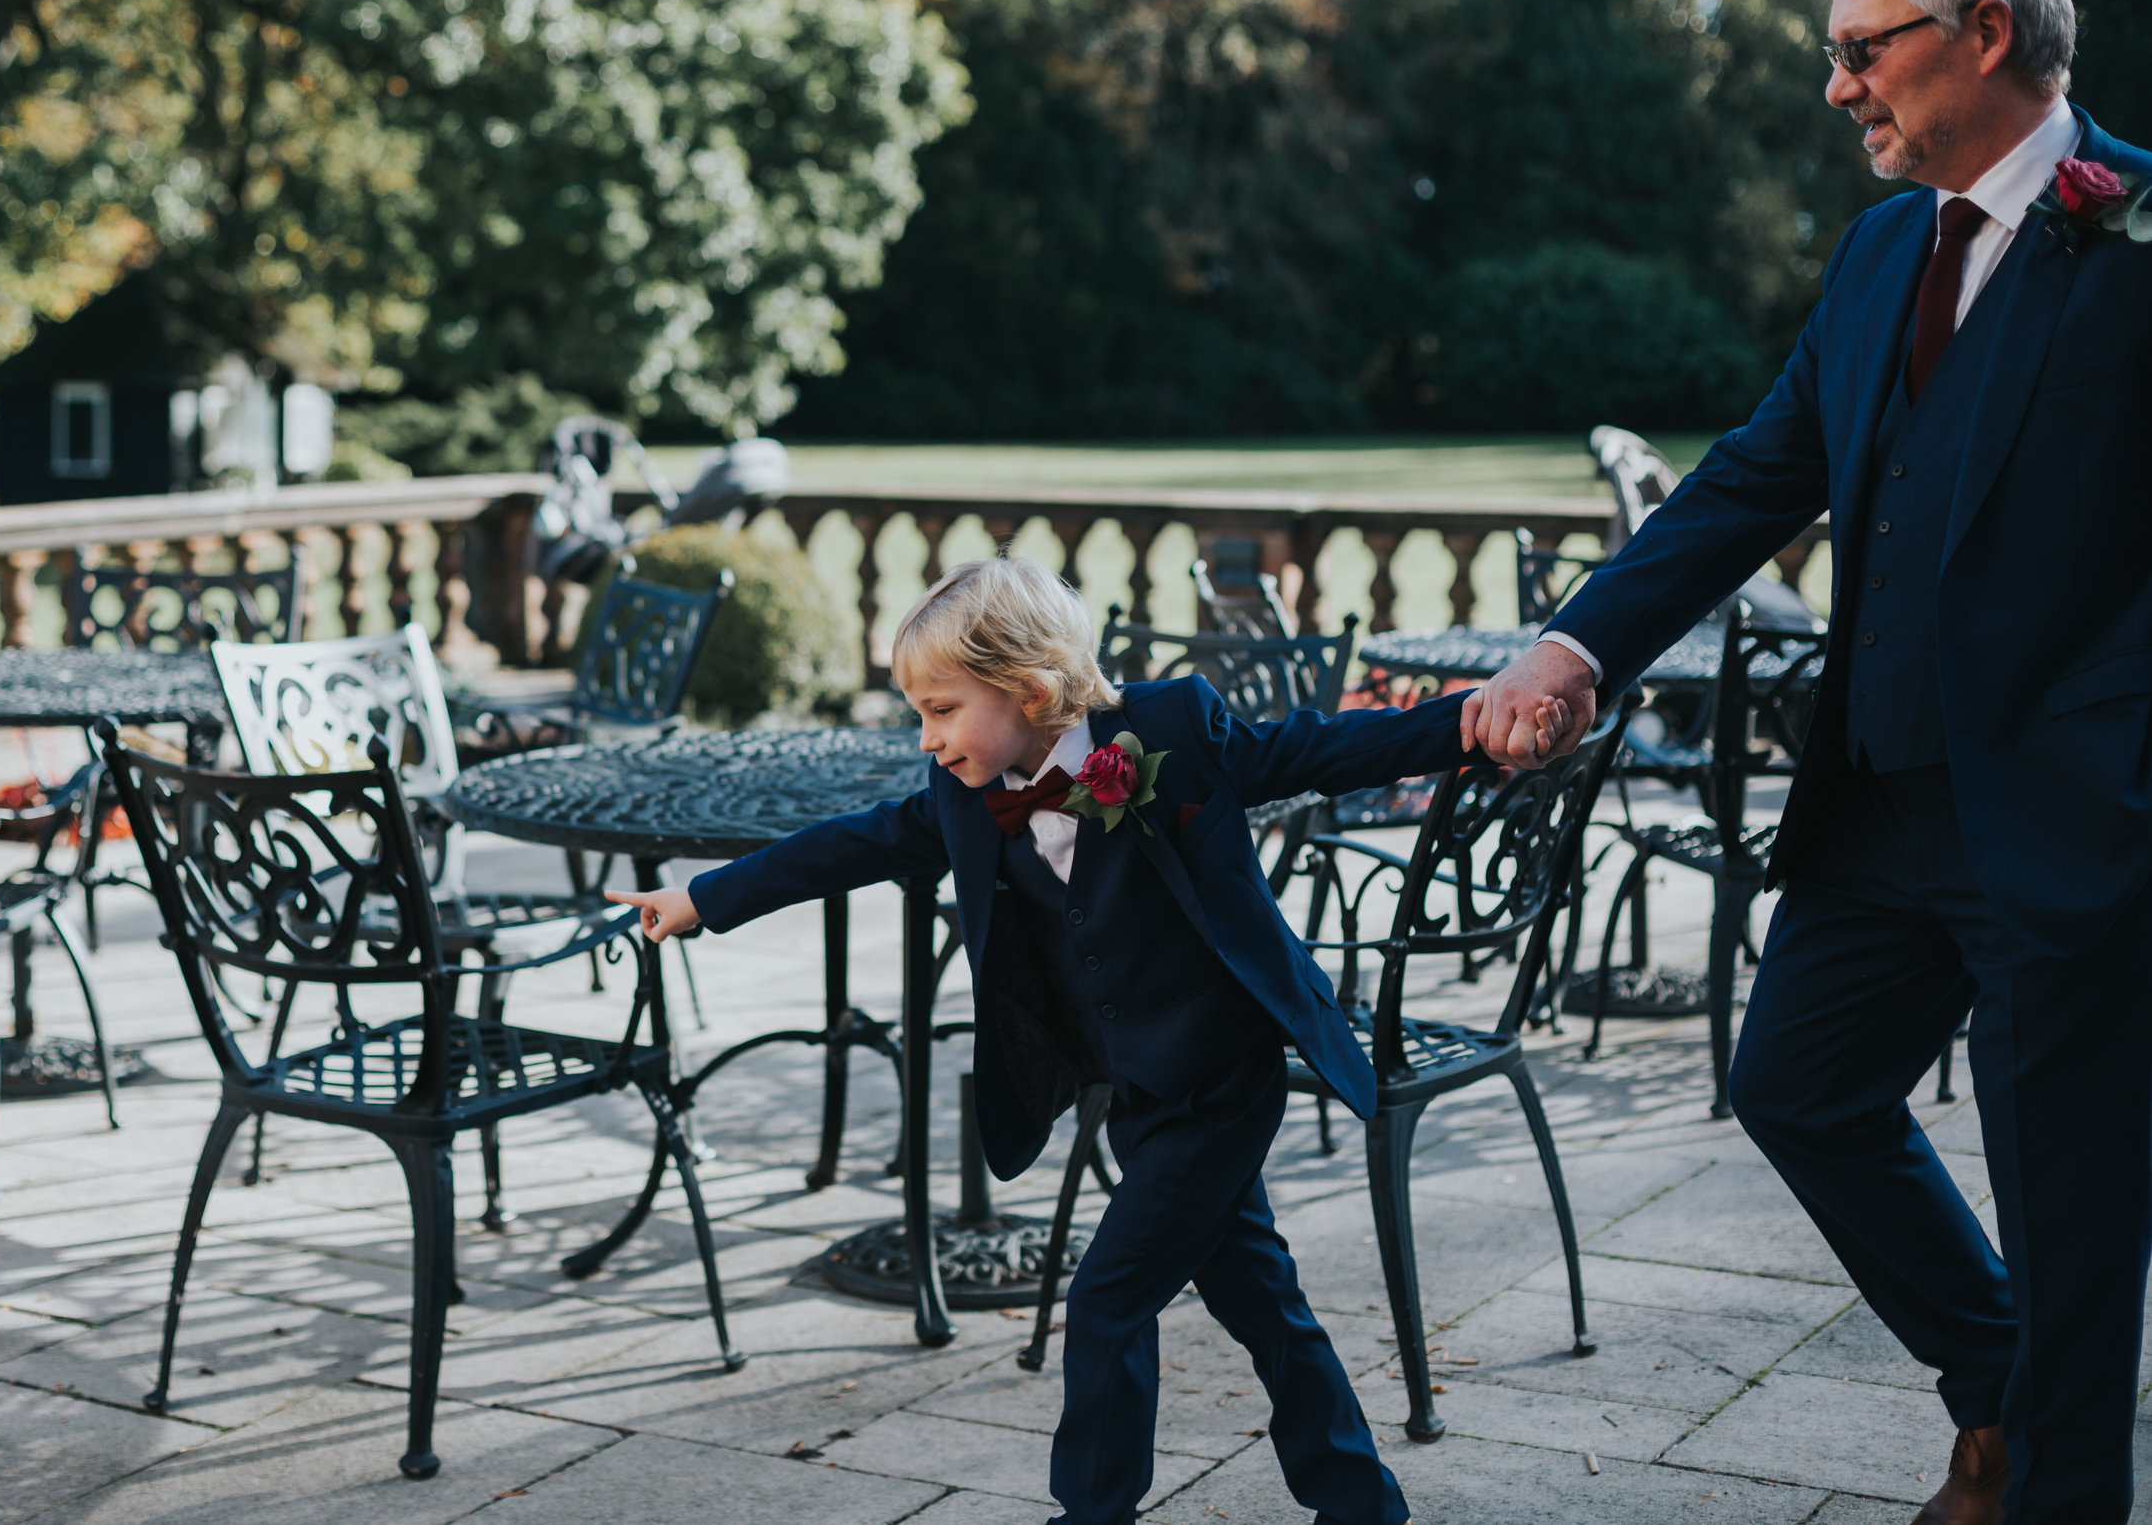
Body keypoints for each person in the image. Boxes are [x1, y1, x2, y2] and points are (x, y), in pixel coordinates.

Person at [1461, 0, 2152, 1525]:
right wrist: (1576, 644)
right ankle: (1991, 1383)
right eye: (1831, 52)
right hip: (1884, 801)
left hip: (2073, 823)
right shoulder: (1870, 256)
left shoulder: (2136, 237)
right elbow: (1751, 479)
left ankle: (2051, 1488)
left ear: (1985, 35)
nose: (1838, 85)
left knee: (2070, 1215)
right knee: (1797, 1085)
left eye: (1863, 48)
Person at [610, 556, 1562, 1525]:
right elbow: (857, 839)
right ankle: (1361, 1502)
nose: (927, 738)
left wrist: (1476, 721)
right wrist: (702, 896)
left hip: (1222, 1081)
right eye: (918, 714)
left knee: (1106, 1301)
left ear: (1028, 690)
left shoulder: (1175, 732)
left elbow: (1323, 747)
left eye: (940, 708)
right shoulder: (962, 790)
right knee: (1261, 1301)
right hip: (1137, 1097)